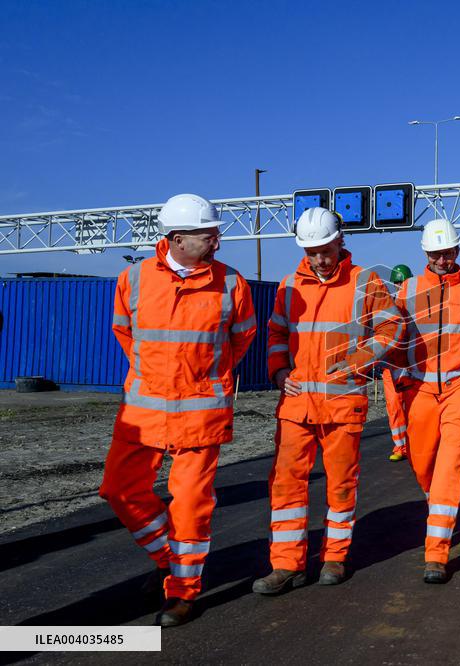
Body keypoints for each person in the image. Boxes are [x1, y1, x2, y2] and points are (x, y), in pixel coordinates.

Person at [100, 193, 257, 626]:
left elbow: (241, 339)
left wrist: (202, 378)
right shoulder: (132, 279)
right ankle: (168, 559)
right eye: (208, 236)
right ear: (176, 239)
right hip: (143, 411)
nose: (217, 243)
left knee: (189, 505)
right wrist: (155, 378)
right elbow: (124, 332)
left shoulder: (231, 283)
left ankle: (183, 593)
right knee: (119, 490)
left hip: (200, 414)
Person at [253, 207, 402, 595]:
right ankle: (286, 565)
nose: (320, 258)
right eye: (312, 250)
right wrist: (279, 372)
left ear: (340, 242)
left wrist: (355, 363)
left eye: (326, 249)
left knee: (340, 484)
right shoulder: (289, 285)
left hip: (341, 404)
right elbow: (276, 335)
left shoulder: (365, 282)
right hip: (296, 403)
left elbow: (392, 327)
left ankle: (335, 556)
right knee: (286, 487)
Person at [394, 218, 460, 583]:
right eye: (435, 253)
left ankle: (436, 552)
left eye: (447, 251)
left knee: (450, 463)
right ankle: (437, 502)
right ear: (425, 253)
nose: (442, 258)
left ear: (457, 250)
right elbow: (393, 339)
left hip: (459, 389)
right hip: (419, 390)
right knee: (423, 465)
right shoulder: (406, 291)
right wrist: (397, 373)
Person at [385, 263, 414, 462]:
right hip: (391, 365)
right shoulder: (388, 306)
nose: (399, 285)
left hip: (412, 365)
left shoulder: (418, 304)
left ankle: (417, 443)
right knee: (394, 406)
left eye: (402, 281)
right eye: (397, 282)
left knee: (413, 406)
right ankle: (400, 446)